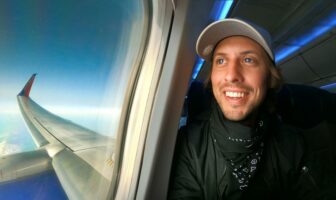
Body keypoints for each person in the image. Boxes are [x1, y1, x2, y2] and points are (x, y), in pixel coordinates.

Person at [168, 18, 323, 199]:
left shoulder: (295, 146)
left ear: (271, 78)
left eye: (248, 60)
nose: (232, 75)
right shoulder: (188, 144)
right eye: (221, 61)